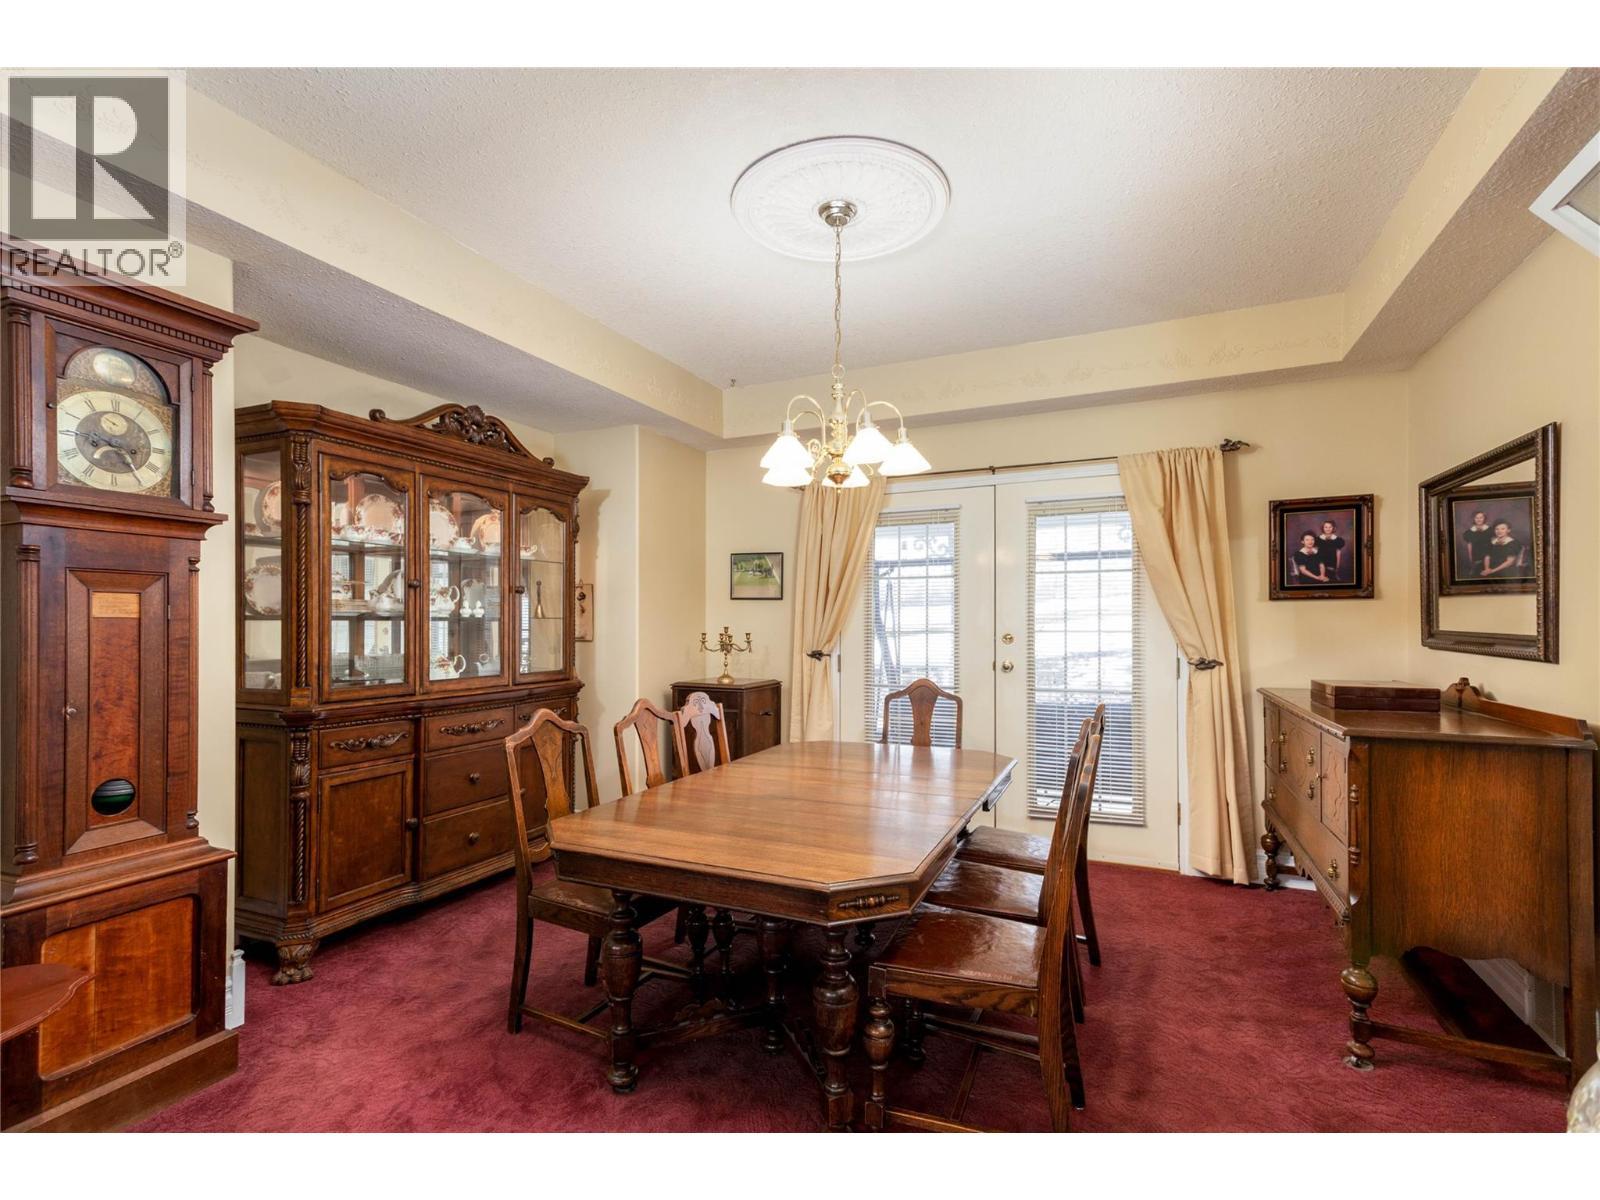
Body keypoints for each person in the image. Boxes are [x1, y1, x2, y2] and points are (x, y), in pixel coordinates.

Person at [1460, 510, 1494, 576]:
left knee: (1489, 573)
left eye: (1481, 517)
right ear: (1474, 519)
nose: (1479, 519)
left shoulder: (1490, 530)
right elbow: (1469, 545)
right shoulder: (1469, 532)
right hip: (1477, 555)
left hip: (1489, 554)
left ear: (1484, 518)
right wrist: (1471, 558)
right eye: (1476, 517)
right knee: (1477, 573)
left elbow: (1494, 543)